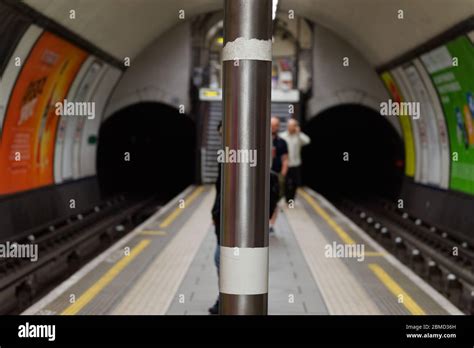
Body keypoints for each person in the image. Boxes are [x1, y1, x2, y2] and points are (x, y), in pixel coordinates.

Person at [279, 119, 311, 202]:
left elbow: (307, 141)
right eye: (289, 126)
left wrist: (299, 133)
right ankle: (286, 198)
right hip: (285, 164)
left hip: (296, 163)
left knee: (295, 182)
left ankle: (291, 199)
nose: (290, 127)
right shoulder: (282, 136)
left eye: (292, 126)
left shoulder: (298, 136)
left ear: (295, 127)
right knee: (285, 182)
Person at [209, 121, 222, 315]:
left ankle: (225, 297)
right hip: (222, 215)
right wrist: (215, 211)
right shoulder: (223, 156)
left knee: (220, 258)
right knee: (220, 259)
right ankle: (224, 296)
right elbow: (220, 188)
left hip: (237, 218)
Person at [270, 116, 288, 233]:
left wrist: (283, 174)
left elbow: (285, 159)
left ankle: (271, 224)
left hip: (276, 175)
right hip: (262, 175)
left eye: (276, 125)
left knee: (275, 200)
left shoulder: (282, 142)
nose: (273, 127)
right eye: (271, 125)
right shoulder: (259, 139)